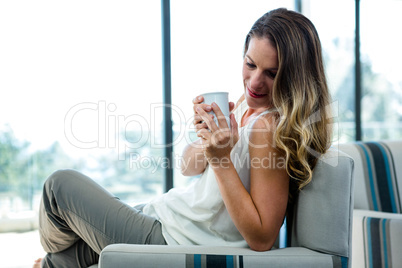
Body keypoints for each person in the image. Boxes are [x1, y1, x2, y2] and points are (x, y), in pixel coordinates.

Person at [34, 8, 332, 267]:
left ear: (294, 76)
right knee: (62, 259)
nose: (255, 82)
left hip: (170, 239)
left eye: (272, 73)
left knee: (58, 186)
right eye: (250, 64)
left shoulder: (268, 127)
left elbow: (263, 238)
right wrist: (206, 137)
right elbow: (188, 167)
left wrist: (221, 159)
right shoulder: (246, 104)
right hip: (166, 218)